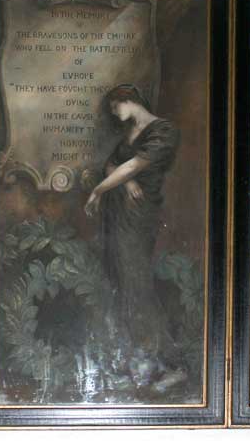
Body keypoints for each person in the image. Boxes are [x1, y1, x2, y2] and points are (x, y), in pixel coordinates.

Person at [84, 84, 185, 391]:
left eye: (115, 107)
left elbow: (132, 165)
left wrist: (99, 189)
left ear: (127, 100)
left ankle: (173, 365)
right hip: (119, 215)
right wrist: (125, 185)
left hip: (139, 217)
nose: (114, 113)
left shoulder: (163, 131)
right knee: (124, 285)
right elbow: (112, 164)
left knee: (138, 285)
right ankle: (140, 365)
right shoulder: (131, 133)